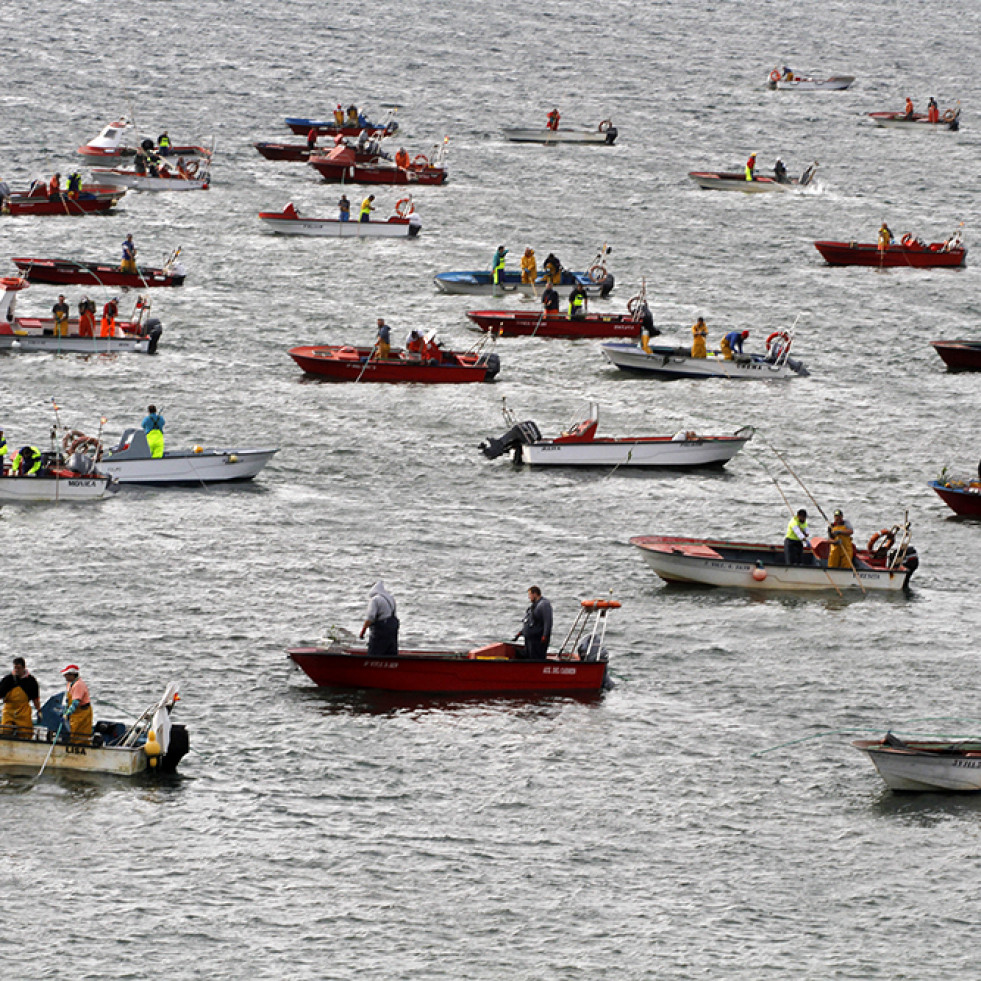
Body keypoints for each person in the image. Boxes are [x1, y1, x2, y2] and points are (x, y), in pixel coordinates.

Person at [0, 657, 42, 739]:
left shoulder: (31, 681)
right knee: (5, 730)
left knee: (26, 732)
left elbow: (35, 698)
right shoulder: (7, 680)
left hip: (23, 711)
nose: (16, 670)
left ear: (23, 668)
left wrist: (39, 710)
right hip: (9, 710)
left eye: (18, 668)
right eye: (15, 668)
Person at [359, 581, 399, 657]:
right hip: (393, 629)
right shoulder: (391, 598)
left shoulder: (375, 600)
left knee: (375, 653)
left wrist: (362, 632)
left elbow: (370, 617)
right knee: (391, 654)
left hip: (381, 631)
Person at [514, 586, 552, 660]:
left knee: (536, 657)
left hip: (537, 639)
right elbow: (530, 621)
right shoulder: (534, 606)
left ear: (535, 594)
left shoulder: (544, 604)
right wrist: (521, 632)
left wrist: (545, 635)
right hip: (530, 638)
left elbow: (548, 621)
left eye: (530, 595)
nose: (529, 597)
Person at [60, 665, 92, 743]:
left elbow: (75, 703)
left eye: (66, 674)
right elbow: (68, 700)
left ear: (72, 675)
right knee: (72, 731)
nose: (64, 676)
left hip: (82, 712)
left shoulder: (78, 685)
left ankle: (81, 747)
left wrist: (67, 714)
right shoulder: (70, 683)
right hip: (75, 713)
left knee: (80, 733)